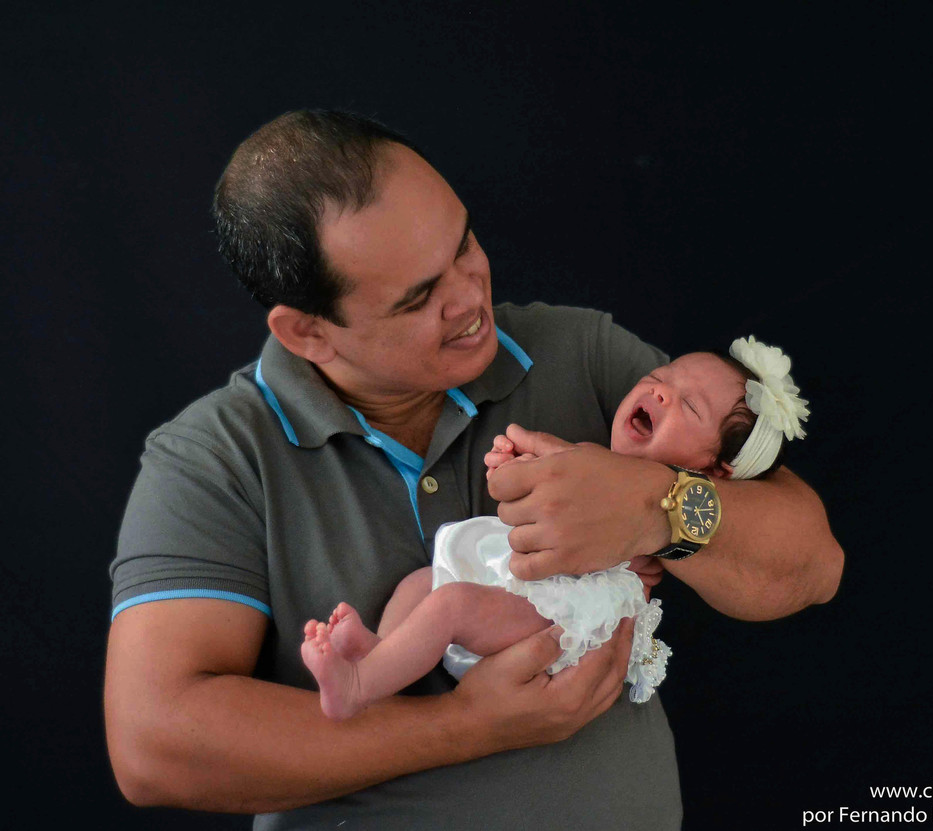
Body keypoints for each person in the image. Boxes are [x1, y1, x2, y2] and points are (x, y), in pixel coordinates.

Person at [104, 109, 844, 830]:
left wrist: (659, 501)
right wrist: (465, 724)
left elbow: (811, 564)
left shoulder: (578, 355)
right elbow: (154, 746)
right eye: (419, 297)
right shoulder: (213, 459)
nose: (470, 298)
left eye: (463, 245)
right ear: (310, 332)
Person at [301, 338, 811, 720]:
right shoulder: (591, 461)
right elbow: (533, 493)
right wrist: (512, 466)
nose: (660, 391)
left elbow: (639, 559)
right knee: (423, 584)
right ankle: (383, 655)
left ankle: (361, 685)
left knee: (448, 605)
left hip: (565, 614)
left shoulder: (675, 514)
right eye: (663, 375)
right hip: (524, 587)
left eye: (690, 405)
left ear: (714, 471)